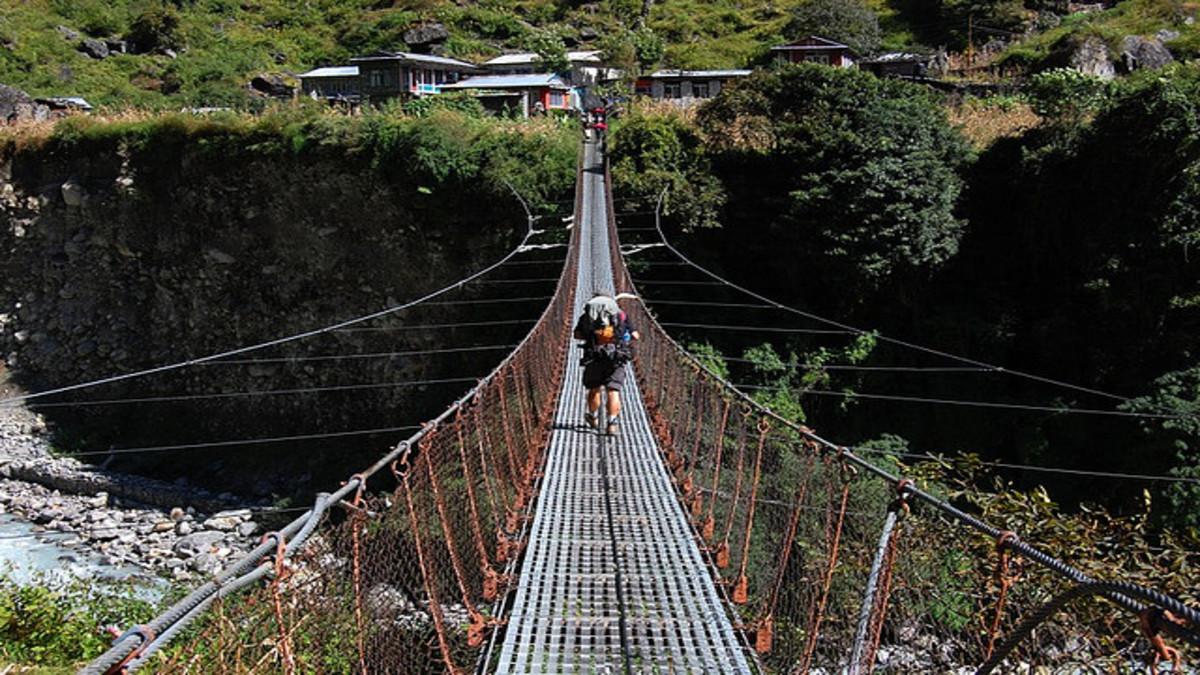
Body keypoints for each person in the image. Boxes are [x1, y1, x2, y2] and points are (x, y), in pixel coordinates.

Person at [573, 292, 640, 435]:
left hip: (594, 357)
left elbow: (577, 335)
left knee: (594, 389)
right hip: (616, 357)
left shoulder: (587, 316)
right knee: (613, 390)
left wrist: (591, 335)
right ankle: (612, 423)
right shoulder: (621, 315)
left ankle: (593, 417)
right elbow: (635, 336)